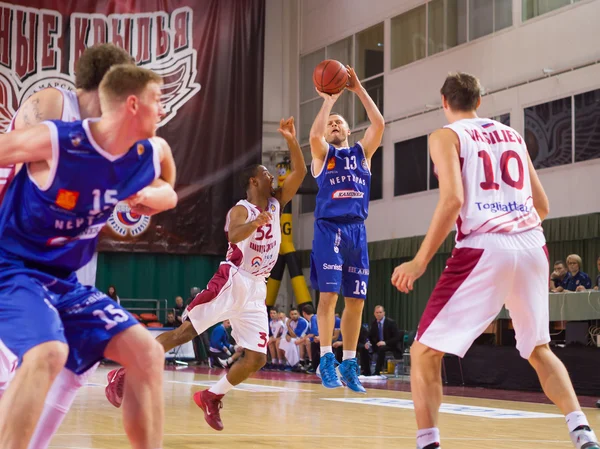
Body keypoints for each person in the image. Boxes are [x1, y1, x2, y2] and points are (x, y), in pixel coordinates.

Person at [391, 72, 599, 449]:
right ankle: (582, 430)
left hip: (485, 246)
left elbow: (452, 199)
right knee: (538, 349)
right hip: (533, 245)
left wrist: (419, 262)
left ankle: (427, 444)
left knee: (423, 351)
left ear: (444, 102)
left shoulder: (445, 136)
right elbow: (543, 206)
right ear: (479, 101)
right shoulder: (513, 136)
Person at [0, 64, 177, 449]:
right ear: (132, 104)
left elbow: (169, 184)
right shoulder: (58, 140)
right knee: (48, 352)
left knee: (147, 353)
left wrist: (150, 198)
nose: (163, 109)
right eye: (157, 99)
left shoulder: (146, 152)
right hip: (12, 270)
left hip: (64, 281)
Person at [105, 117, 307, 432]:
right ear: (253, 182)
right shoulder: (243, 209)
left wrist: (292, 140)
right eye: (266, 174)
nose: (272, 177)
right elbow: (234, 236)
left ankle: (211, 397)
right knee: (184, 333)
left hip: (255, 289)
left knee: (257, 359)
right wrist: (255, 224)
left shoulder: (277, 202)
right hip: (233, 279)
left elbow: (301, 173)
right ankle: (123, 373)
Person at [309, 65, 384, 393]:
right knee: (329, 296)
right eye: (330, 123)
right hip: (329, 230)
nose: (334, 123)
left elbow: (379, 123)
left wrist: (357, 89)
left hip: (357, 231)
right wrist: (328, 100)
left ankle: (350, 362)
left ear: (349, 130)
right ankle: (326, 358)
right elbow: (313, 136)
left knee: (356, 301)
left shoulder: (361, 154)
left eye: (339, 121)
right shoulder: (322, 154)